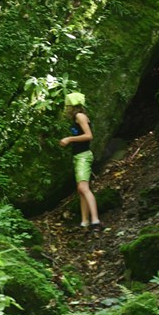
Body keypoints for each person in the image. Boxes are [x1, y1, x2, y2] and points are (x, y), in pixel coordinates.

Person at [60, 92, 103, 231]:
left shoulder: (80, 116)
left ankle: (95, 220)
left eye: (67, 106)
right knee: (81, 189)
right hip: (78, 156)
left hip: (83, 156)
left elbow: (89, 135)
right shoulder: (76, 118)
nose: (66, 109)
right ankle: (84, 221)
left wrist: (69, 139)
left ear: (73, 106)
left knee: (84, 188)